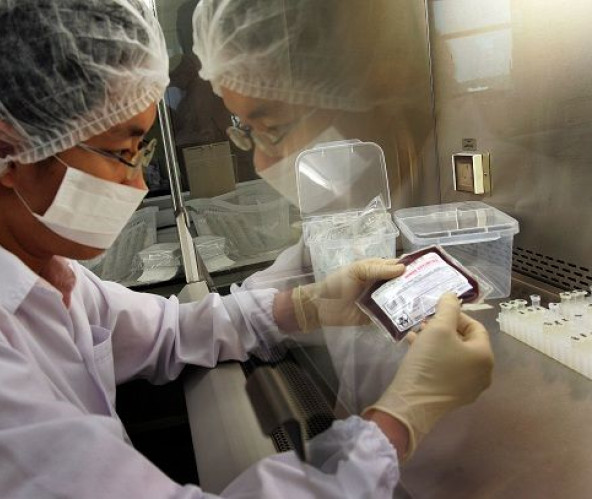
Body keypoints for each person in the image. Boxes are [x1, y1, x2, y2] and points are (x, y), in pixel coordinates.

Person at [0, 1, 492, 498]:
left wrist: (307, 303)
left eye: (143, 155)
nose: (138, 183)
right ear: (0, 151)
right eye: (122, 152)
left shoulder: (29, 269)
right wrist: (401, 420)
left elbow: (169, 331)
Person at [191, 0, 446, 416]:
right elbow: (253, 306)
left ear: (376, 85)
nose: (260, 163)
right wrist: (304, 305)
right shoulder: (344, 226)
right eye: (246, 131)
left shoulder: (492, 203)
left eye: (272, 127)